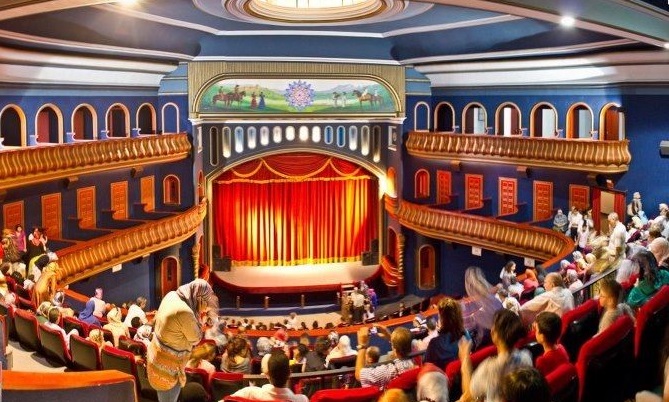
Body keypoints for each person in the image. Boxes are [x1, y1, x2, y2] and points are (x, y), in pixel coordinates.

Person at [147, 279, 218, 402]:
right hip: (168, 369)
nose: (205, 309)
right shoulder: (185, 312)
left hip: (156, 359)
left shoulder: (172, 295)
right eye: (206, 304)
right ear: (199, 298)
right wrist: (202, 318)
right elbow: (196, 338)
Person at [458, 309, 533, 402]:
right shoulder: (527, 357)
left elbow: (468, 397)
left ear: (493, 333)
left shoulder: (488, 369)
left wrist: (465, 360)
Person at [232, 351, 309, 402]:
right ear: (289, 374)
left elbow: (228, 399)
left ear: (267, 374)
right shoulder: (302, 400)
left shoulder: (249, 393)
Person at [424, 297, 470, 369]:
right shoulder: (466, 335)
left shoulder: (435, 344)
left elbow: (427, 366)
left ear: (442, 318)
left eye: (439, 315)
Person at [533, 311, 569, 376]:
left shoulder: (542, 361)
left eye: (536, 330)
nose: (534, 332)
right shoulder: (561, 348)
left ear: (542, 337)